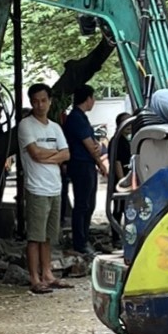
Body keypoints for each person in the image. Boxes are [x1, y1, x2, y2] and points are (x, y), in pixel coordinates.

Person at [18, 83, 73, 294]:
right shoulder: (26, 125)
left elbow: (66, 154)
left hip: (54, 187)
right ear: (31, 103)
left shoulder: (55, 127)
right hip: (36, 188)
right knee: (35, 236)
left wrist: (46, 154)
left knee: (49, 236)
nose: (40, 105)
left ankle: (48, 273)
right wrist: (53, 155)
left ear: (49, 101)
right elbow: (35, 154)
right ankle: (34, 277)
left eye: (43, 100)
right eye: (35, 101)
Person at [63, 85, 109, 256]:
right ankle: (80, 242)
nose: (94, 101)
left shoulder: (81, 117)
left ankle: (85, 237)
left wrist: (96, 150)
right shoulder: (76, 118)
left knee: (89, 203)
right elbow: (91, 146)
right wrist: (101, 163)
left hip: (87, 163)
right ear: (88, 99)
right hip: (81, 164)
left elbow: (95, 144)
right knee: (83, 204)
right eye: (93, 97)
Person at [107, 112, 132, 248]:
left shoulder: (127, 140)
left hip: (127, 180)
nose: (129, 126)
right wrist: (121, 181)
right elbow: (116, 162)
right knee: (118, 209)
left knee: (126, 209)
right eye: (126, 123)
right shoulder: (116, 141)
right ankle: (116, 237)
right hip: (119, 182)